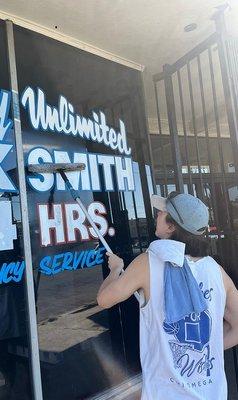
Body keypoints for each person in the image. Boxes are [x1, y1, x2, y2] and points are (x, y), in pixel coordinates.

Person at [97, 191, 238, 400]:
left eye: (161, 213)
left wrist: (115, 269)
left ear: (172, 226)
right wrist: (207, 348)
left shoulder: (147, 263)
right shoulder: (216, 270)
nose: (156, 216)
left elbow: (104, 299)